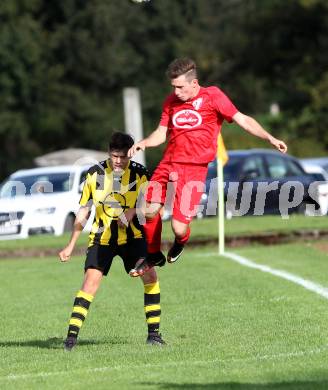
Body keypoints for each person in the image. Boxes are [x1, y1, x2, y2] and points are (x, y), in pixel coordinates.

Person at [128, 57, 288, 274]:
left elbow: (242, 119)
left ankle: (181, 241)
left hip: (193, 169)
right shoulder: (171, 102)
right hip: (169, 162)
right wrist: (144, 143)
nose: (176, 92)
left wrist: (270, 138)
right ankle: (153, 254)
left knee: (178, 227)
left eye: (180, 87)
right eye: (173, 87)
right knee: (147, 209)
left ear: (194, 83)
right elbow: (161, 133)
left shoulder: (213, 96)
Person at [58, 132, 165, 351]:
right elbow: (84, 210)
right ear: (109, 153)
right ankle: (70, 339)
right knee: (90, 282)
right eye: (114, 156)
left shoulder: (141, 174)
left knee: (150, 276)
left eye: (123, 157)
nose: (118, 161)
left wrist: (133, 211)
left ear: (130, 153)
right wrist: (71, 244)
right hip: (102, 238)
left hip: (134, 237)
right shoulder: (94, 174)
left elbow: (153, 207)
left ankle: (154, 335)